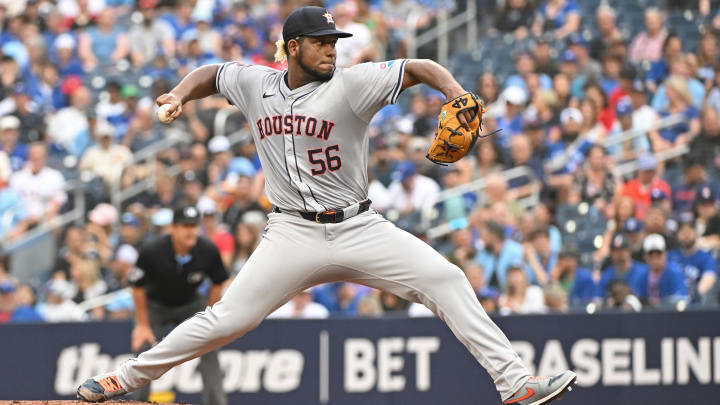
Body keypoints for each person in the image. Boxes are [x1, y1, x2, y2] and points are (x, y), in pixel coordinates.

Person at [77, 7, 577, 405]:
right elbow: (214, 73)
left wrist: (456, 92)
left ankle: (516, 385)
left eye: (334, 43)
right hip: (291, 233)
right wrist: (180, 94)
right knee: (227, 318)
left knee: (445, 279)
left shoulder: (353, 85)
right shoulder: (258, 86)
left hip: (360, 227)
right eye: (320, 43)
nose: (331, 51)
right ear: (292, 47)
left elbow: (418, 67)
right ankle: (123, 379)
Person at [118, 205, 228, 405]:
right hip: (156, 306)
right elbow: (137, 285)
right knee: (144, 347)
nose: (191, 231)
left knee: (210, 346)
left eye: (194, 226)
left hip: (190, 305)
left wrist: (209, 313)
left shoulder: (207, 250)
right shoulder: (153, 250)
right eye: (185, 226)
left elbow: (219, 280)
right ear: (174, 228)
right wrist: (142, 324)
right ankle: (138, 402)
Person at [667, 218, 717, 304]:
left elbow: (709, 278)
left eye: (689, 232)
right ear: (677, 235)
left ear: (695, 233)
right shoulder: (671, 256)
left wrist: (693, 295)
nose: (686, 236)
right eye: (683, 233)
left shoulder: (706, 257)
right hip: (672, 301)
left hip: (696, 303)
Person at [638, 233, 689, 307]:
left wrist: (660, 303)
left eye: (658, 254)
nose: (655, 259)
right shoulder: (642, 275)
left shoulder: (674, 272)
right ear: (645, 256)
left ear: (665, 254)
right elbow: (638, 296)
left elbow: (682, 300)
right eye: (651, 255)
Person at [599, 233, 649, 298]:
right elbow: (599, 300)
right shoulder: (606, 275)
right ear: (611, 253)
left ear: (629, 251)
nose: (620, 254)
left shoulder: (643, 272)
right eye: (616, 251)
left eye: (623, 249)